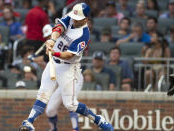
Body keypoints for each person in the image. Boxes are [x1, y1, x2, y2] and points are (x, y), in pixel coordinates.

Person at [19, 3, 113, 131]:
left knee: (71, 105)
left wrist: (53, 52)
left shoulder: (84, 34)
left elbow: (68, 55)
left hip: (68, 68)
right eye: (74, 17)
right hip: (54, 63)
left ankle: (98, 119)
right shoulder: (71, 16)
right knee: (43, 95)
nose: (74, 20)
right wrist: (52, 40)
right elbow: (58, 27)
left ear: (86, 19)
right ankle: (29, 122)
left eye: (78, 19)